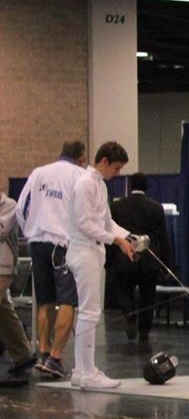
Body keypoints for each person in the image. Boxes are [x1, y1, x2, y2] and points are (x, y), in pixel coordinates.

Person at [64, 141, 134, 390]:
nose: (116, 173)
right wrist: (115, 240)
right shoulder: (84, 184)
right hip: (83, 250)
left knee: (89, 312)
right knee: (90, 312)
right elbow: (84, 223)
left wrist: (128, 237)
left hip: (93, 251)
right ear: (104, 161)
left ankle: (80, 371)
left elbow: (106, 222)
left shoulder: (99, 185)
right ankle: (87, 372)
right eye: (115, 168)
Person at [18, 140, 87, 380]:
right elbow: (83, 212)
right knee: (68, 301)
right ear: (81, 157)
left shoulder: (39, 173)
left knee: (45, 301)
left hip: (37, 242)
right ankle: (56, 358)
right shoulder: (80, 175)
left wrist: (31, 230)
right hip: (62, 244)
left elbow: (20, 207)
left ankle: (43, 352)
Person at [108, 173, 173, 342]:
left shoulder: (117, 206)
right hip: (149, 259)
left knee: (122, 290)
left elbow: (110, 233)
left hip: (124, 257)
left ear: (130, 186)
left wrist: (108, 260)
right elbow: (163, 238)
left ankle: (129, 313)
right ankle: (144, 330)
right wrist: (166, 265)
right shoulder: (156, 207)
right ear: (147, 187)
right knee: (148, 295)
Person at [0, 193, 38, 375]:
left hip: (3, 267)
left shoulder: (9, 205)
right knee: (3, 311)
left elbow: (1, 231)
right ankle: (23, 354)